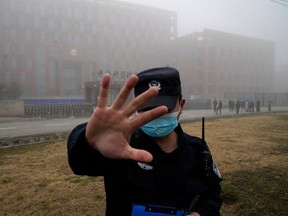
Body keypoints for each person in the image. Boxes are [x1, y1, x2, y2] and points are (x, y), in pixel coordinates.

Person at [67, 67, 222, 216]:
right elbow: (81, 164)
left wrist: (201, 213)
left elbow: (212, 193)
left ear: (181, 105)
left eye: (164, 107)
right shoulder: (122, 148)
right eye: (148, 107)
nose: (155, 115)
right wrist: (89, 142)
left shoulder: (197, 149)